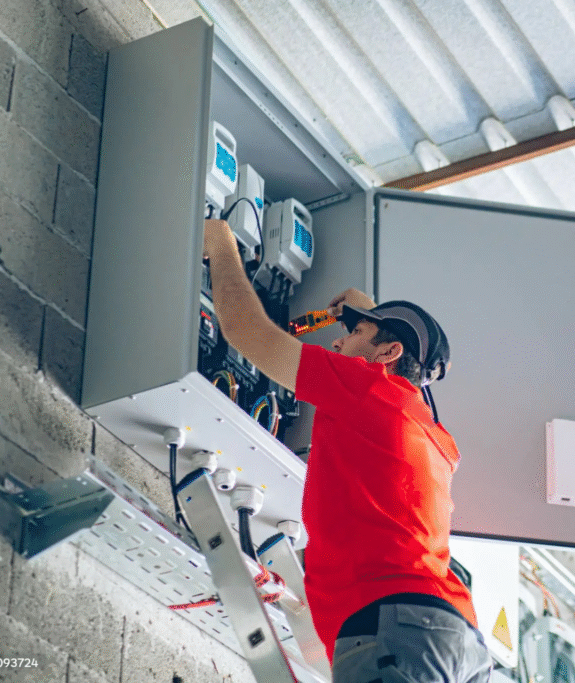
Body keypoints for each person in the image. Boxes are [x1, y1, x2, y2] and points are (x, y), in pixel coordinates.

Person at [202, 218, 492, 683]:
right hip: (452, 638)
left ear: (387, 353)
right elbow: (400, 369)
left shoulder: (368, 390)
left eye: (353, 336)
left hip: (401, 629)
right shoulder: (434, 437)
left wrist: (219, 244)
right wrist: (367, 317)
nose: (337, 340)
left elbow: (241, 328)